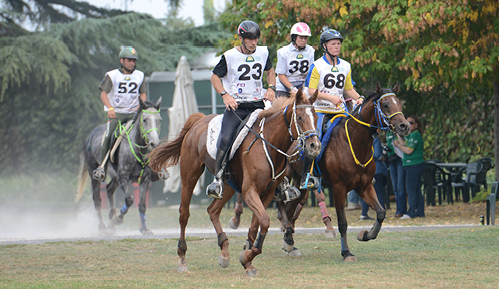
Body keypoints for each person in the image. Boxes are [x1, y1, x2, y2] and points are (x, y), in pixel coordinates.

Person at [206, 20, 276, 199]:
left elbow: (270, 71)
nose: (254, 42)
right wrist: (224, 94)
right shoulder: (229, 56)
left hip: (258, 106)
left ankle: (281, 182)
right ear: (241, 38)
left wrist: (271, 88)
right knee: (224, 138)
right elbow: (214, 77)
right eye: (250, 39)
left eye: (256, 38)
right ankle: (218, 180)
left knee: (279, 134)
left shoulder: (263, 52)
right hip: (237, 107)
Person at [301, 29, 364, 190]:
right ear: (325, 46)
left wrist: (358, 97)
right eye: (333, 44)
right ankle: (307, 176)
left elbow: (348, 89)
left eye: (338, 44)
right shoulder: (317, 66)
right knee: (315, 139)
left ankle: (362, 171)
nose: (337, 46)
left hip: (340, 111)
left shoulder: (345, 65)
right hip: (320, 111)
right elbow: (311, 91)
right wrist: (330, 98)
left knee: (357, 134)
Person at [92, 46, 147, 182]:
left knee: (149, 132)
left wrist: (141, 106)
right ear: (121, 60)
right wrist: (110, 109)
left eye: (134, 61)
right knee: (109, 135)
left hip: (134, 113)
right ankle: (102, 168)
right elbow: (103, 94)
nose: (132, 63)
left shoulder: (140, 75)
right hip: (117, 113)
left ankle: (155, 167)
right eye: (129, 60)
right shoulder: (112, 75)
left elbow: (143, 94)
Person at [394, 115, 425, 219]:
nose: (408, 124)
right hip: (409, 165)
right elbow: (405, 144)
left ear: (416, 125)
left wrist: (398, 145)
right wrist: (398, 137)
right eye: (407, 122)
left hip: (414, 164)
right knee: (416, 189)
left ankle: (411, 212)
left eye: (411, 123)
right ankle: (420, 212)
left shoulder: (416, 135)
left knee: (411, 189)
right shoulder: (410, 135)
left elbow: (408, 150)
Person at [275, 22, 315, 98]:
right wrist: (292, 89)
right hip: (284, 85)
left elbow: (310, 73)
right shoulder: (283, 52)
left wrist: (305, 88)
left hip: (302, 85)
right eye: (301, 37)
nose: (303, 40)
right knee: (280, 108)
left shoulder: (311, 51)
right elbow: (281, 75)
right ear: (294, 38)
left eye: (305, 38)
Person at [360, 132, 388, 220]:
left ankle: (364, 213)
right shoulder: (374, 139)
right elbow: (377, 154)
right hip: (376, 168)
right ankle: (382, 212)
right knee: (378, 191)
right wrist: (382, 156)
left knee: (367, 191)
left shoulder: (361, 140)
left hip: (365, 169)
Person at [386, 130, 406, 218]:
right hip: (391, 160)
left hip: (399, 159)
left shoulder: (399, 132)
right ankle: (398, 210)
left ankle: (402, 210)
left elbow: (405, 144)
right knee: (395, 187)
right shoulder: (388, 133)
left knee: (400, 186)